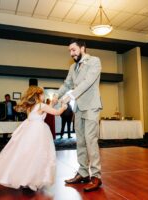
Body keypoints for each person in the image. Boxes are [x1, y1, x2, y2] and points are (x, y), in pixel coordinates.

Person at [0, 86, 68, 191]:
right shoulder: (41, 105)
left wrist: (52, 103)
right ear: (38, 95)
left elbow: (45, 111)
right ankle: (32, 180)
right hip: (38, 132)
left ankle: (26, 179)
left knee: (28, 155)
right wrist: (63, 107)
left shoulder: (32, 107)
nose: (44, 96)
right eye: (43, 94)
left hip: (29, 131)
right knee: (37, 155)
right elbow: (56, 113)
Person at [52, 38, 103, 192]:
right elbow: (67, 84)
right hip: (79, 108)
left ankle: (96, 176)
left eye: (73, 50)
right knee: (80, 141)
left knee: (90, 140)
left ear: (82, 48)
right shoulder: (72, 68)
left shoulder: (94, 61)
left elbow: (87, 82)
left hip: (92, 106)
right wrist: (57, 95)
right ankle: (82, 173)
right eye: (69, 51)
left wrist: (70, 96)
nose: (71, 53)